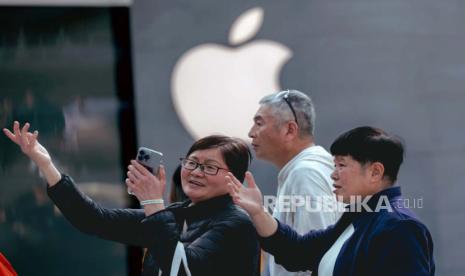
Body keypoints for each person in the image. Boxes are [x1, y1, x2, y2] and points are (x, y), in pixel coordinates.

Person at [3, 121, 260, 276]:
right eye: (192, 162)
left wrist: (153, 204)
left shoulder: (236, 223)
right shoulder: (178, 214)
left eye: (210, 167)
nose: (195, 172)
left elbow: (181, 270)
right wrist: (46, 164)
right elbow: (94, 220)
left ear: (233, 179)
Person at [227, 126, 435, 276]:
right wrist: (258, 212)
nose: (333, 175)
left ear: (375, 172)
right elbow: (297, 251)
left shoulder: (400, 228)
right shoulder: (356, 218)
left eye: (341, 165)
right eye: (334, 165)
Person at [248, 90, 339, 275]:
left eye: (259, 123)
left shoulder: (306, 173)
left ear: (290, 130)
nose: (251, 133)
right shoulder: (305, 169)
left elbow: (313, 258)